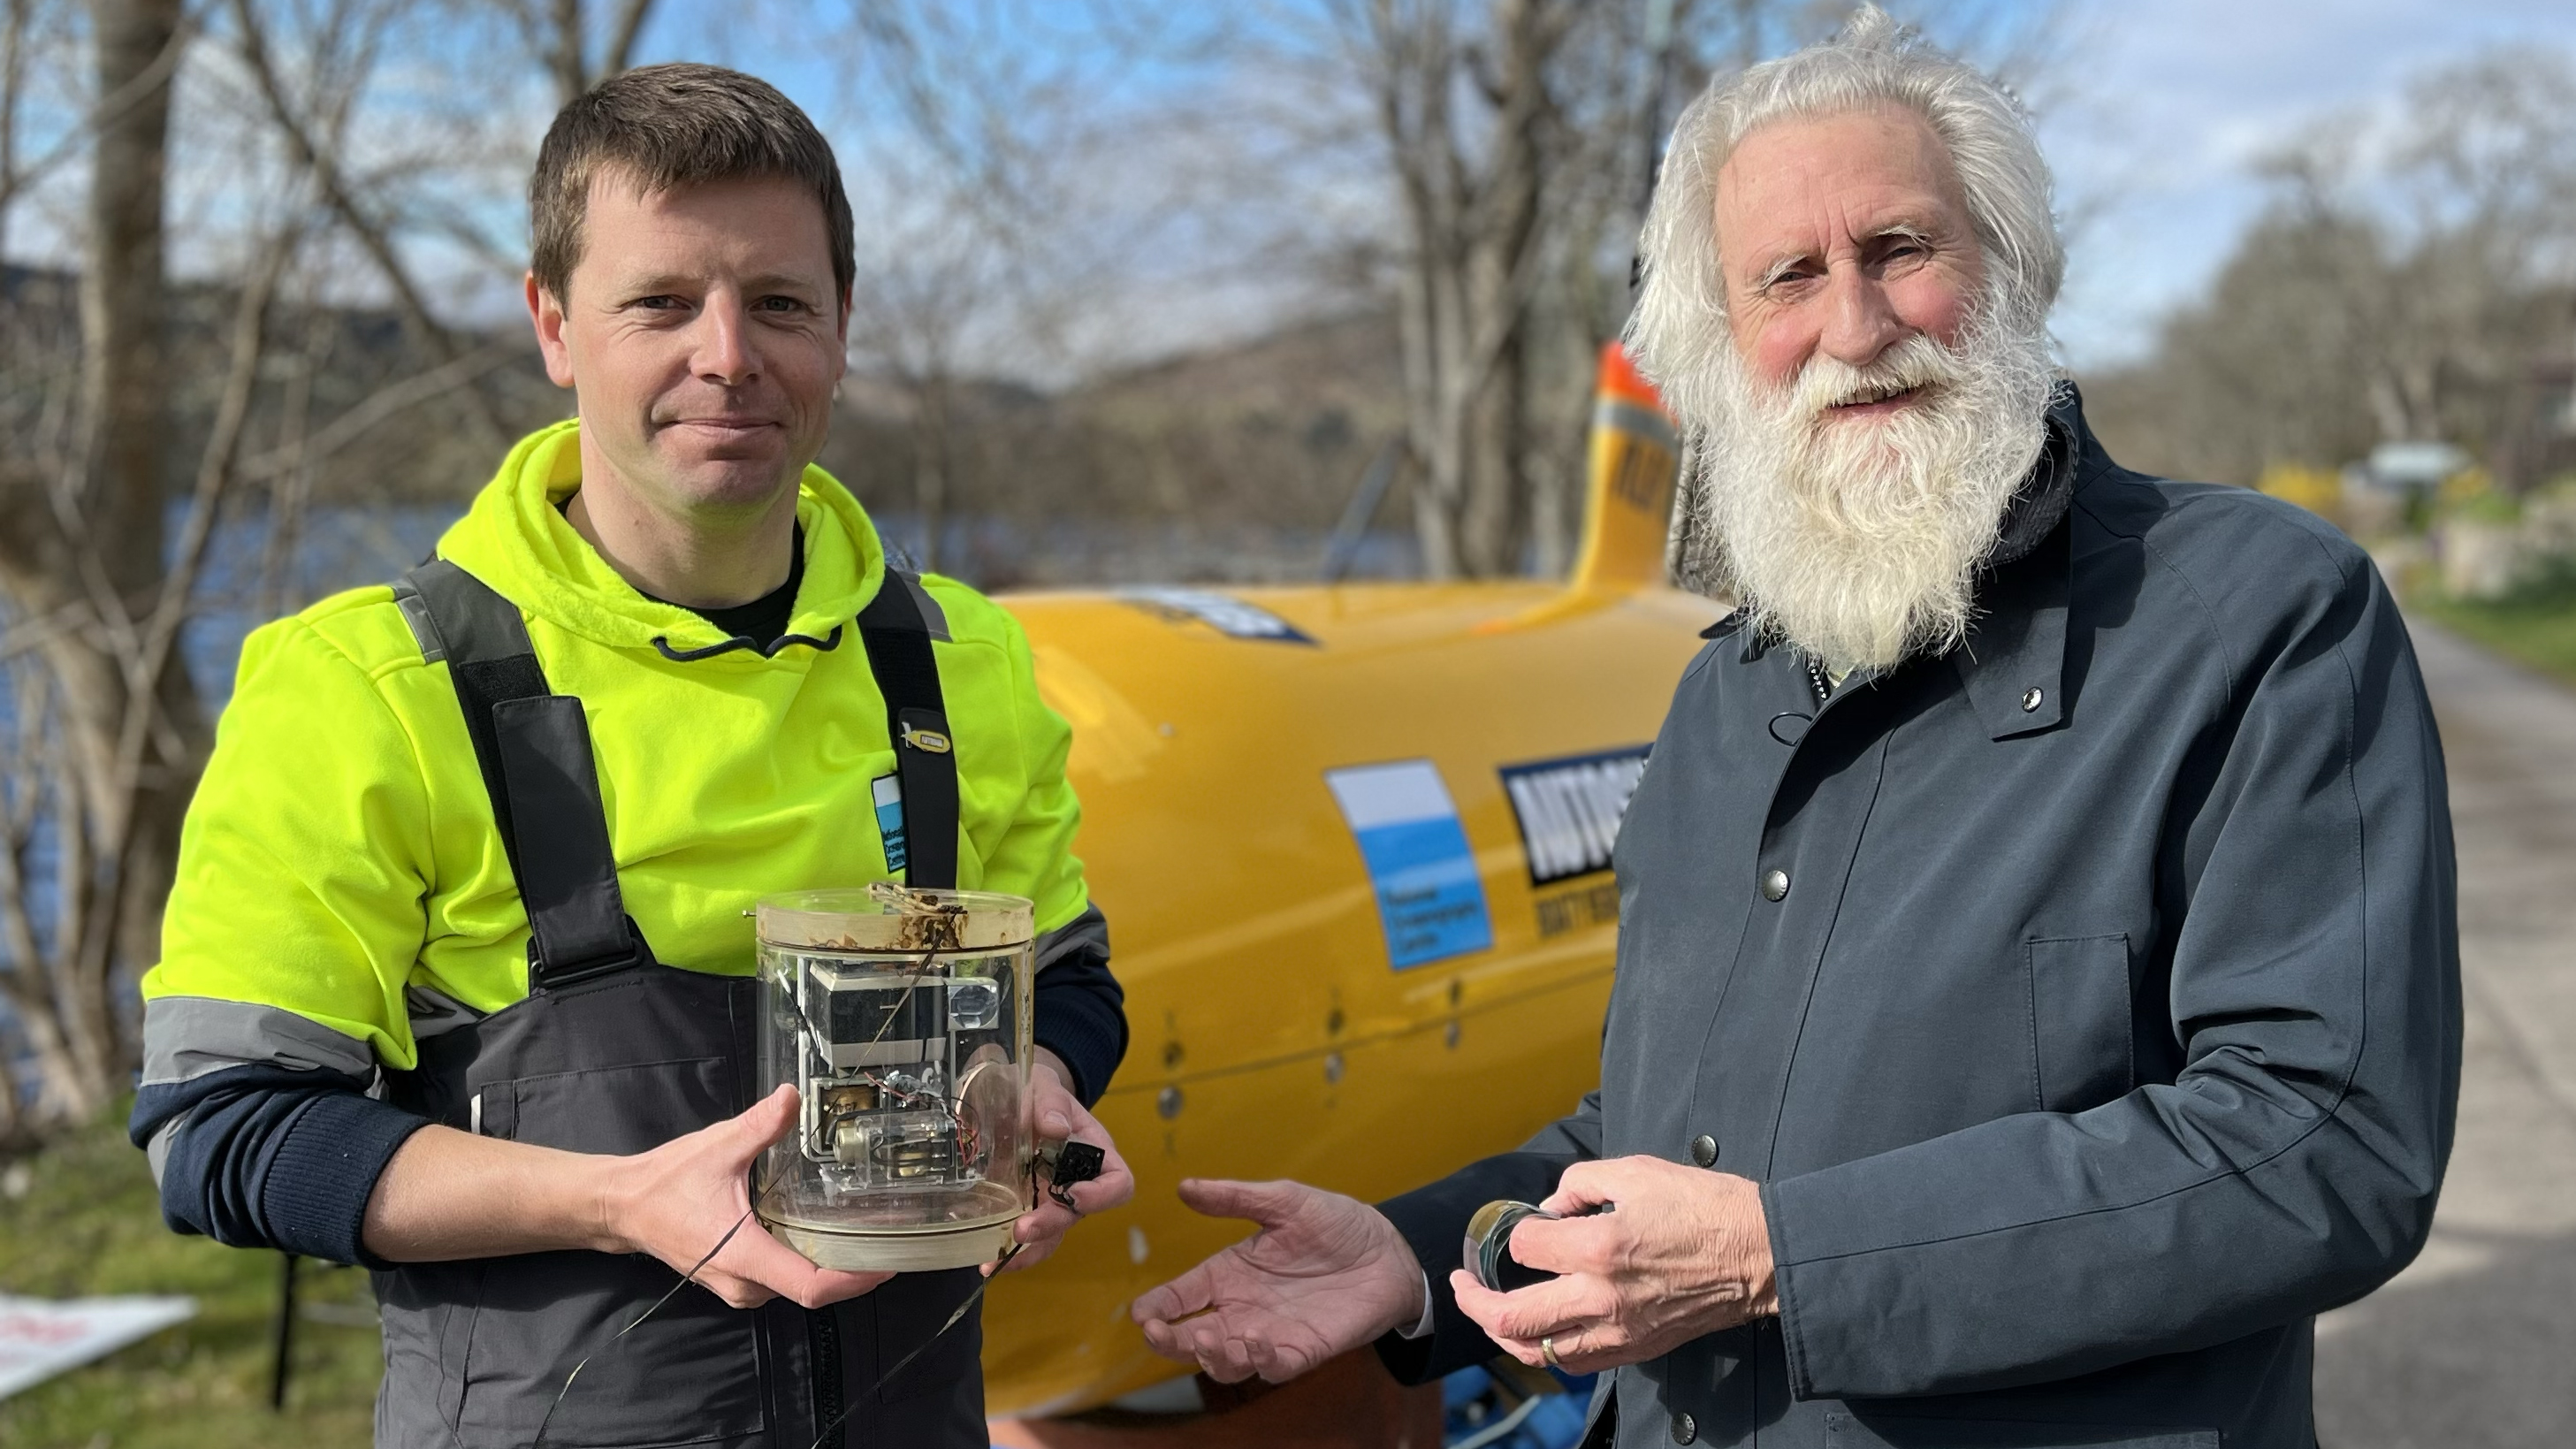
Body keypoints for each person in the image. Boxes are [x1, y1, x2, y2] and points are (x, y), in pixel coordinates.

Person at [1131, 10, 2460, 1448]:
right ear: (1723, 346)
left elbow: (2319, 1143)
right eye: (1788, 278)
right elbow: (1676, 1132)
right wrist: (1426, 1256)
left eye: (1899, 251)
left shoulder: (2255, 615)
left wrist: (1780, 1262)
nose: (1854, 327)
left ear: (2008, 273)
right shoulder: (1728, 690)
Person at [129, 63, 1132, 1449]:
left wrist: (1040, 1085)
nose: (728, 355)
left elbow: (1070, 978)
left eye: (780, 302)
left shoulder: (962, 660)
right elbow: (226, 1133)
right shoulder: (366, 684)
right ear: (553, 325)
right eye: (660, 301)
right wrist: (612, 1198)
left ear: (843, 328)